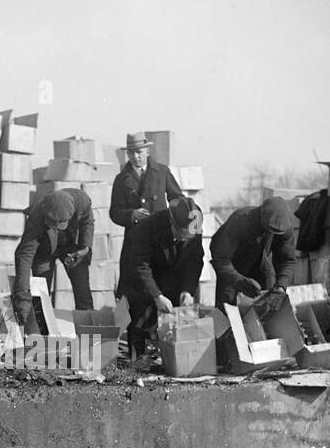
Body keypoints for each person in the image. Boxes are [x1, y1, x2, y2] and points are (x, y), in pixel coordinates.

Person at [121, 197, 205, 359]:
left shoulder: (194, 225)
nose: (185, 240)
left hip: (173, 272)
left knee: (175, 311)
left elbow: (195, 261)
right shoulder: (147, 228)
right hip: (143, 274)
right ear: (172, 223)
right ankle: (138, 357)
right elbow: (140, 266)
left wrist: (188, 290)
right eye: (182, 235)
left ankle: (172, 356)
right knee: (141, 313)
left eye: (189, 237)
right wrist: (156, 295)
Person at [109, 132, 183, 295]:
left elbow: (178, 199)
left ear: (147, 152)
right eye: (131, 152)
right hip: (135, 240)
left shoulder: (162, 172)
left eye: (139, 152)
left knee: (163, 283)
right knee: (134, 288)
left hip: (161, 239)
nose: (135, 157)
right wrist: (132, 215)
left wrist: (169, 219)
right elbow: (114, 212)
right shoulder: (121, 179)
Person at [13, 189, 94, 335]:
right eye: (52, 224)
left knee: (82, 290)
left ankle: (87, 337)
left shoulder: (82, 201)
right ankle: (41, 336)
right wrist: (22, 295)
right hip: (44, 250)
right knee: (41, 294)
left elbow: (88, 222)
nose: (56, 228)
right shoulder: (37, 213)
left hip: (72, 247)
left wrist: (86, 247)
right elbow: (24, 254)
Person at [209, 195, 299, 314]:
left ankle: (260, 331)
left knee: (268, 307)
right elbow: (220, 259)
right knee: (226, 312)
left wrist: (281, 286)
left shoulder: (285, 227)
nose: (271, 233)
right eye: (269, 230)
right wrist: (238, 280)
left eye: (276, 232)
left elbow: (286, 260)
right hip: (232, 265)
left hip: (261, 262)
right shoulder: (240, 220)